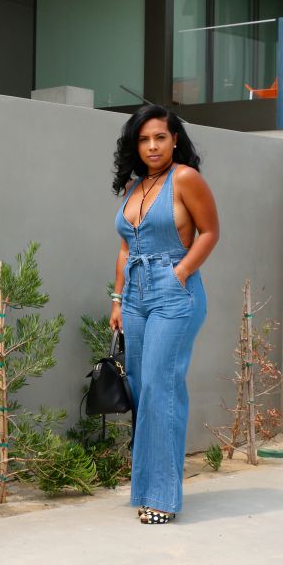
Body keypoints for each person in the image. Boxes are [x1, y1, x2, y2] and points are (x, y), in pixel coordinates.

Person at [109, 105, 219, 524]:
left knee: (161, 386)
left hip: (174, 293)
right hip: (134, 297)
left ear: (175, 140)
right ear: (135, 145)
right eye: (144, 139)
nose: (152, 146)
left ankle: (163, 499)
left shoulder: (185, 178)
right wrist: (117, 299)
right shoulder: (134, 187)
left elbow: (210, 232)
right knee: (142, 389)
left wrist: (181, 273)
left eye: (160, 137)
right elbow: (125, 248)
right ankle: (146, 488)